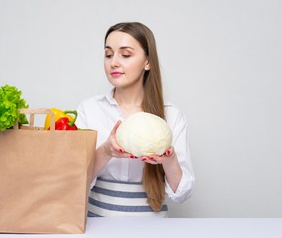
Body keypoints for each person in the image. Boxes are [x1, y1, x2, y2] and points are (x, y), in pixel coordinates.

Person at [75, 22, 195, 217]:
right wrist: (106, 151)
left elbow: (183, 193)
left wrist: (169, 159)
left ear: (147, 61)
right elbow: (74, 181)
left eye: (126, 54)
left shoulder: (171, 115)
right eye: (108, 54)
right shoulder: (89, 109)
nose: (113, 62)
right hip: (97, 225)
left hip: (154, 228)